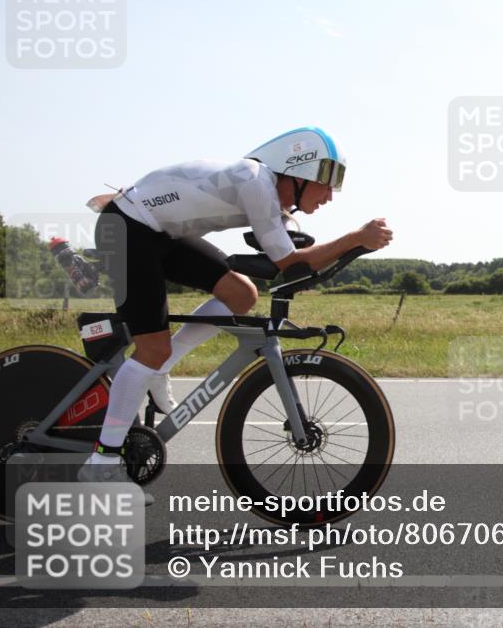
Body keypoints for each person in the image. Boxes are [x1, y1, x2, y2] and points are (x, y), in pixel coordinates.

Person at [79, 127, 392, 491]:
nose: (330, 194)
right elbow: (288, 264)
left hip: (159, 234)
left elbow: (291, 255)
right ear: (298, 171)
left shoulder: (270, 196)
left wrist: (336, 245)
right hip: (128, 229)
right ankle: (101, 463)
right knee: (151, 348)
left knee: (241, 295)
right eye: (327, 179)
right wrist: (355, 238)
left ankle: (160, 367)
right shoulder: (256, 181)